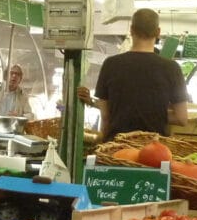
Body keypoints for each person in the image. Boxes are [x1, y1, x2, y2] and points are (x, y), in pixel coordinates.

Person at [77, 8, 188, 140]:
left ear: (131, 30)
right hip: (154, 149)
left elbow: (106, 117)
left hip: (117, 146)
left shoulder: (111, 64)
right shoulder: (171, 68)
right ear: (158, 32)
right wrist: (154, 112)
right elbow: (182, 118)